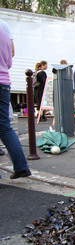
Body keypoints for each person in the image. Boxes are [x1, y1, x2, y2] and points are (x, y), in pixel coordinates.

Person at [0, 24, 31, 179]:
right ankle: (21, 166)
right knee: (5, 127)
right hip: (4, 82)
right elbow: (9, 62)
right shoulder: (4, 33)